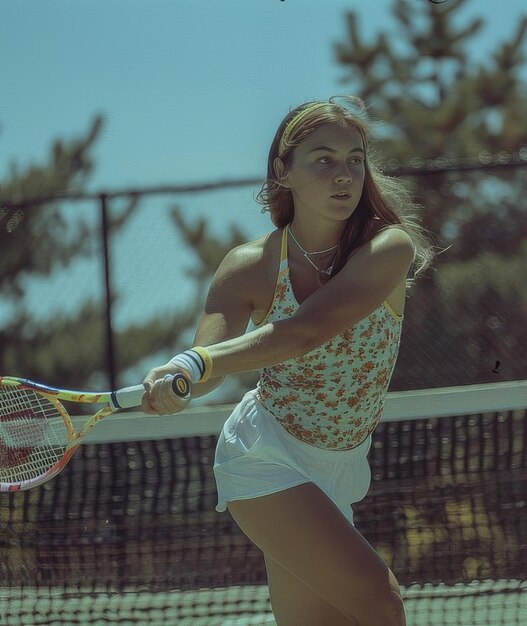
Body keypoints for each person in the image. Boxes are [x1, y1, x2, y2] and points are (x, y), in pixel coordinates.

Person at [142, 96, 434, 626]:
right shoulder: (248, 267)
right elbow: (208, 368)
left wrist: (196, 362)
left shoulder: (388, 248)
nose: (343, 174)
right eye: (323, 159)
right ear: (284, 170)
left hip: (341, 467)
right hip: (264, 457)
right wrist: (178, 378)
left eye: (354, 158)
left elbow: (307, 331)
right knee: (380, 601)